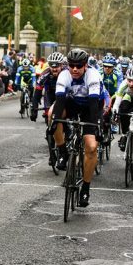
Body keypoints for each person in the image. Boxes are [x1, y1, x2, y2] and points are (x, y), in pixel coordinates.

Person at [49, 48, 101, 207]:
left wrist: (96, 126)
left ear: (86, 65)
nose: (75, 69)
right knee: (53, 115)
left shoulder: (93, 75)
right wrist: (54, 123)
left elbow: (94, 104)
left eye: (79, 66)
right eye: (71, 65)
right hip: (71, 103)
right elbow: (59, 101)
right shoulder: (64, 75)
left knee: (91, 147)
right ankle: (63, 151)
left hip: (90, 107)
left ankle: (85, 187)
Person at [31, 52, 67, 123]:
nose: (54, 69)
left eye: (57, 66)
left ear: (62, 65)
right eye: (52, 66)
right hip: (50, 93)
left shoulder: (67, 72)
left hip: (65, 94)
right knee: (48, 116)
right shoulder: (45, 74)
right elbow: (37, 93)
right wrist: (34, 109)